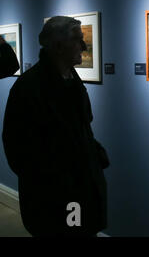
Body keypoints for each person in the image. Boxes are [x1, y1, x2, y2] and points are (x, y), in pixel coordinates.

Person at [2, 16, 110, 237]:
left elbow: (81, 126)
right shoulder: (29, 88)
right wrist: (52, 180)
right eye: (77, 39)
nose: (84, 46)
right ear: (58, 46)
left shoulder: (72, 80)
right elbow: (17, 149)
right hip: (55, 198)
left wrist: (93, 154)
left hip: (80, 190)